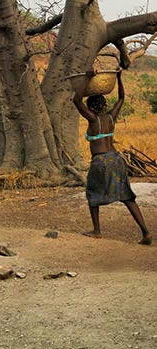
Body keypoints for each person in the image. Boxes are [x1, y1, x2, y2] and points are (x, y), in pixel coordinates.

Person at [73, 70, 151, 244]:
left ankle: (97, 230)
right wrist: (119, 77)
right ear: (103, 104)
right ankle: (146, 233)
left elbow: (76, 100)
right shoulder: (111, 117)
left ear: (91, 107)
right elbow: (121, 98)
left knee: (92, 194)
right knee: (127, 197)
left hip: (101, 161)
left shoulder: (92, 119)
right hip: (116, 159)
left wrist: (86, 78)